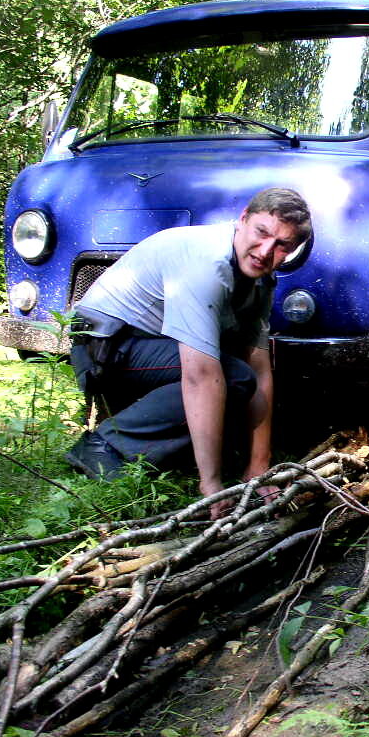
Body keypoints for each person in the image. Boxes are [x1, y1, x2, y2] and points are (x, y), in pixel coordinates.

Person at [65, 187, 312, 516]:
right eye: (261, 232)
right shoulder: (207, 264)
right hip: (104, 349)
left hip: (147, 346)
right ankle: (104, 445)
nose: (266, 251)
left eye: (282, 245)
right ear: (242, 220)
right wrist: (210, 485)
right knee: (230, 377)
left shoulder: (260, 282)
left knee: (241, 374)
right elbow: (201, 377)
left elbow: (261, 370)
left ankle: (152, 443)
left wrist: (259, 466)